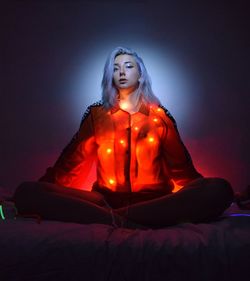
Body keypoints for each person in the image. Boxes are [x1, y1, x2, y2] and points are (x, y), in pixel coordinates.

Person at [13, 46, 234, 229]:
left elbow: (183, 172)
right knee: (26, 192)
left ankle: (119, 218)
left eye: (129, 66)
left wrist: (206, 192)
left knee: (220, 188)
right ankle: (125, 219)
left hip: (156, 202)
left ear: (141, 74)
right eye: (115, 68)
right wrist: (42, 190)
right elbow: (69, 165)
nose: (121, 72)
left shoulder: (160, 117)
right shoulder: (96, 115)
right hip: (104, 202)